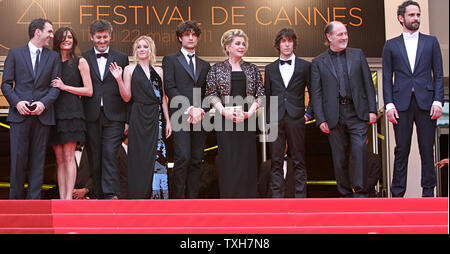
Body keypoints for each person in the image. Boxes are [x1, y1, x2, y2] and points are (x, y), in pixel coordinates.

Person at [382, 0, 444, 197]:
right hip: (401, 104)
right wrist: (389, 104)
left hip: (427, 103)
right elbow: (386, 77)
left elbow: (439, 74)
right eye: (412, 15)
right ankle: (398, 194)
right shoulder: (390, 45)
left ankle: (428, 193)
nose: (416, 18)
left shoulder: (431, 41)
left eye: (418, 15)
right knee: (401, 149)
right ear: (401, 18)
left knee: (427, 149)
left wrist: (438, 101)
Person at [310, 21, 377, 198]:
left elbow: (368, 83)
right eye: (340, 34)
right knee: (339, 156)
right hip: (334, 115)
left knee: (359, 151)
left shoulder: (358, 55)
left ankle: (361, 192)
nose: (345, 37)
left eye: (346, 33)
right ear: (329, 37)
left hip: (357, 112)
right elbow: (316, 93)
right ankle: (345, 193)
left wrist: (373, 109)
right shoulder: (318, 62)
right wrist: (320, 119)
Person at [1, 18, 61, 199]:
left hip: (42, 115)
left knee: (39, 161)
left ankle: (33, 203)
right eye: (49, 31)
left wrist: (43, 103)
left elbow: (55, 86)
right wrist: (17, 103)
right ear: (37, 32)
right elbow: (5, 84)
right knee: (17, 161)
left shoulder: (53, 57)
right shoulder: (15, 53)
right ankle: (15, 204)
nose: (52, 35)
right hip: (19, 116)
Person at [110, 35, 172, 199]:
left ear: (151, 49)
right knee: (138, 156)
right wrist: (118, 79)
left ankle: (157, 198)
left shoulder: (159, 71)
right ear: (135, 50)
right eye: (139, 47)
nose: (142, 50)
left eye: (145, 46)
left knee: (156, 156)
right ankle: (138, 197)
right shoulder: (129, 69)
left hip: (156, 117)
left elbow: (163, 98)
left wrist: (168, 122)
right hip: (138, 116)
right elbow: (126, 97)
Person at [206, 29, 265, 198]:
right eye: (237, 43)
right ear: (227, 47)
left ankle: (249, 199)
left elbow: (261, 95)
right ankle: (229, 198)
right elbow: (210, 94)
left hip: (247, 120)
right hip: (224, 121)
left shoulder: (252, 69)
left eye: (243, 43)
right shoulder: (216, 69)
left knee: (247, 160)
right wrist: (224, 111)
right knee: (228, 161)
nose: (242, 46)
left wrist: (249, 113)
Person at [162, 21, 211, 199]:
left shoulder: (205, 65)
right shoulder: (170, 60)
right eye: (187, 34)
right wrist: (190, 108)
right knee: (182, 157)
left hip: (200, 118)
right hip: (181, 116)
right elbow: (170, 88)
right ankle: (177, 200)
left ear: (197, 38)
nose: (191, 37)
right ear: (180, 38)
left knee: (197, 159)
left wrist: (201, 110)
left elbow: (209, 92)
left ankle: (192, 200)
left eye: (194, 34)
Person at [81, 19, 129, 199]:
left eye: (105, 37)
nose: (102, 41)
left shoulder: (121, 57)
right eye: (98, 37)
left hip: (115, 115)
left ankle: (111, 194)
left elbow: (125, 89)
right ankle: (97, 193)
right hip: (90, 114)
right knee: (94, 154)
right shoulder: (84, 57)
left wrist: (127, 120)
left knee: (109, 152)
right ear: (91, 37)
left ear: (110, 36)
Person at [264, 28, 312, 198]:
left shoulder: (305, 66)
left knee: (299, 159)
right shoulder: (269, 69)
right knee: (276, 160)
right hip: (275, 119)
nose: (286, 44)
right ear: (278, 44)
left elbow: (313, 93)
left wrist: (308, 114)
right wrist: (268, 122)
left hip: (297, 117)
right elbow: (267, 98)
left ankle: (300, 197)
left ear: (294, 43)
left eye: (289, 41)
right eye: (283, 41)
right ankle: (278, 198)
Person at [49, 27, 93, 200]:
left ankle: (68, 199)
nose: (67, 40)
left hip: (72, 112)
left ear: (74, 40)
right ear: (57, 40)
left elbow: (89, 90)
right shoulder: (51, 61)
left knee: (69, 156)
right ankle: (62, 198)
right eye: (63, 37)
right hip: (53, 113)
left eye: (70, 37)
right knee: (59, 159)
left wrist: (64, 87)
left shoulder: (80, 61)